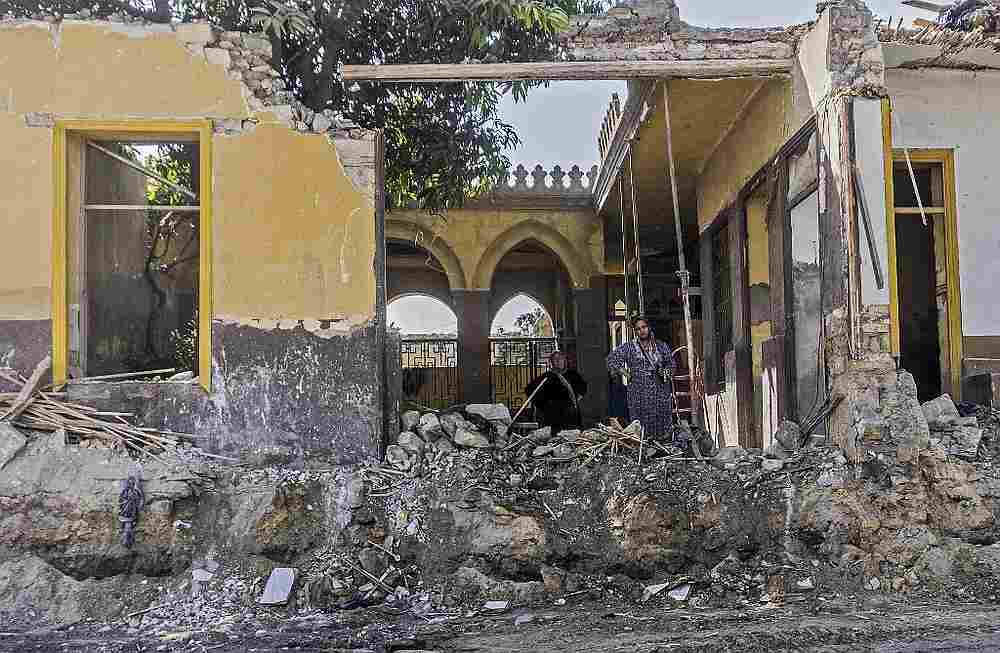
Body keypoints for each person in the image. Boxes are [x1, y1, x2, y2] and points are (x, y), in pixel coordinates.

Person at [606, 316, 676, 437]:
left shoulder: (661, 346)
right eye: (638, 329)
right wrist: (626, 374)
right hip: (639, 397)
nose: (642, 331)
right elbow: (611, 360)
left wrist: (665, 373)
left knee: (662, 432)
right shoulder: (629, 348)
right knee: (642, 431)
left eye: (644, 327)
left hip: (660, 396)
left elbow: (671, 364)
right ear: (635, 331)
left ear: (649, 328)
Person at [524, 351, 587, 434]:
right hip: (554, 416)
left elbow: (583, 388)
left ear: (564, 360)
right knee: (556, 438)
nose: (558, 361)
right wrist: (543, 406)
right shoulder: (547, 377)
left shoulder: (573, 375)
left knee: (574, 436)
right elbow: (529, 390)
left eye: (560, 358)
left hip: (572, 416)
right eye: (555, 359)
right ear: (552, 362)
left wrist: (575, 399)